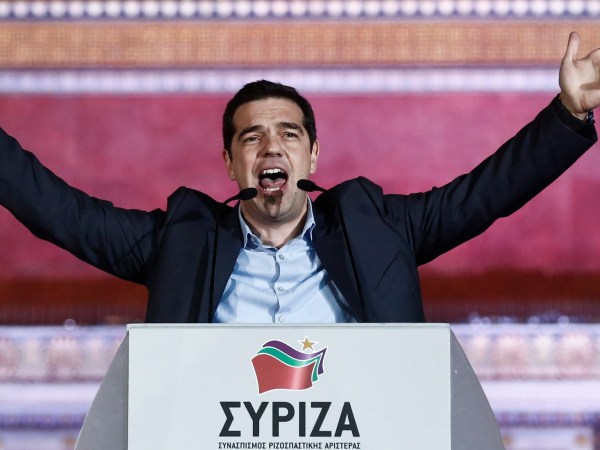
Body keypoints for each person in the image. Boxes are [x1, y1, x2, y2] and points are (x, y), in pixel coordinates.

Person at [0, 32, 598, 324]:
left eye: (288, 134)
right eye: (251, 137)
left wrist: (568, 114)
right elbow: (60, 213)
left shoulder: (378, 227)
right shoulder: (181, 239)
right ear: (230, 163)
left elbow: (485, 195)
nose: (271, 146)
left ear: (312, 156)